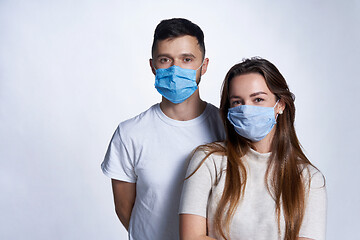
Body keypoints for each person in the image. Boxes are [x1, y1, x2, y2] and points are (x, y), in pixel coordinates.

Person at [101, 18, 225, 240]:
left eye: (187, 59)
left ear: (204, 66)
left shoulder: (226, 128)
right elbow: (124, 208)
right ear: (153, 66)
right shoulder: (130, 134)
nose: (175, 69)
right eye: (165, 59)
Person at [179, 57, 327, 240]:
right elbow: (192, 237)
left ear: (280, 104)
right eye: (237, 102)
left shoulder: (309, 179)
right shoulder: (207, 160)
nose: (246, 110)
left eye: (258, 99)